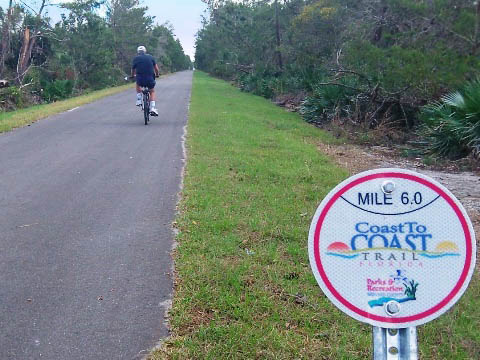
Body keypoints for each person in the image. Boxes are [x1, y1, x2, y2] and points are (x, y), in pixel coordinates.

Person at [131, 45, 160, 116]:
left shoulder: (136, 58)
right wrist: (157, 74)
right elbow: (156, 68)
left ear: (138, 52)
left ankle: (139, 99)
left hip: (140, 79)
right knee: (152, 91)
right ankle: (152, 108)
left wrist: (132, 75)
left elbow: (133, 69)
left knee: (138, 84)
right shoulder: (151, 57)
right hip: (150, 78)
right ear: (145, 51)